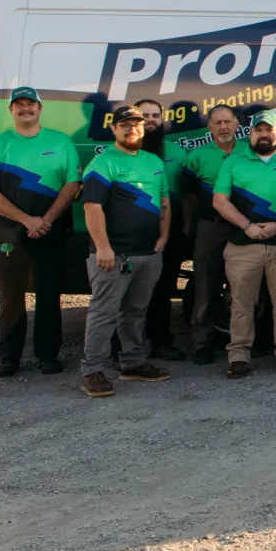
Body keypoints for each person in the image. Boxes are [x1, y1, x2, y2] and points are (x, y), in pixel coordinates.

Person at [0, 85, 81, 377]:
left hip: (51, 232)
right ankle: (8, 358)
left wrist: (45, 219)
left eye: (31, 104)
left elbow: (72, 184)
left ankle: (47, 356)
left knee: (49, 296)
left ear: (40, 108)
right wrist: (27, 220)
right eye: (19, 104)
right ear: (10, 110)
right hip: (9, 235)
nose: (26, 108)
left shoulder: (61, 142)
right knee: (10, 298)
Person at [77, 106, 172, 397]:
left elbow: (165, 202)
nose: (132, 129)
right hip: (114, 254)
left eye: (137, 124)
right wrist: (103, 247)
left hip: (148, 253)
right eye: (126, 125)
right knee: (103, 314)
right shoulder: (103, 163)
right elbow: (92, 207)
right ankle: (92, 371)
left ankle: (132, 363)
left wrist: (164, 237)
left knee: (135, 311)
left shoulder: (153, 161)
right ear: (114, 129)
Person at [212, 110, 276, 376]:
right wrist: (247, 226)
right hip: (243, 244)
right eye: (259, 130)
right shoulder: (234, 161)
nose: (264, 135)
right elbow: (220, 200)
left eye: (269, 130)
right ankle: (239, 356)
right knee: (241, 303)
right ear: (250, 133)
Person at [181, 105, 246, 365]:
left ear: (237, 124)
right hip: (211, 226)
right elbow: (188, 195)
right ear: (209, 127)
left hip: (243, 227)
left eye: (228, 122)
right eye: (217, 123)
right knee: (205, 284)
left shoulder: (249, 152)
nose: (223, 127)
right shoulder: (197, 156)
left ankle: (239, 341)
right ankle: (201, 342)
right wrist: (189, 226)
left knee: (242, 286)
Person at [135, 98, 187, 362]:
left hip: (169, 231)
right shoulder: (119, 153)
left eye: (155, 115)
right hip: (131, 231)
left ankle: (160, 341)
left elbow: (189, 194)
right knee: (128, 290)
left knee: (163, 286)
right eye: (144, 115)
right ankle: (122, 346)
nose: (151, 120)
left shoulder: (178, 152)